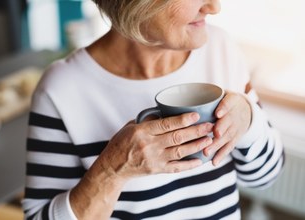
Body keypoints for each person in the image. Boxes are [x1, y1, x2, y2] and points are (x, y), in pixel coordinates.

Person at [22, 0, 285, 219]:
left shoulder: (220, 48)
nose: (214, 7)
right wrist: (112, 171)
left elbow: (265, 177)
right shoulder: (61, 90)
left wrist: (249, 120)